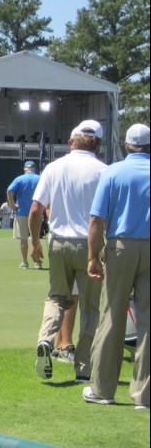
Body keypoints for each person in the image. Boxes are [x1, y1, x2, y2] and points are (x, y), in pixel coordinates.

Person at [30, 119, 107, 384]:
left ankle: (45, 340)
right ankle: (83, 369)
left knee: (57, 298)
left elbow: (35, 210)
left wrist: (34, 242)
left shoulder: (53, 167)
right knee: (89, 308)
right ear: (97, 142)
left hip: (58, 242)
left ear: (73, 139)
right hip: (90, 244)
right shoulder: (103, 171)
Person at [83, 123, 149, 409]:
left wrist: (92, 256)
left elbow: (97, 220)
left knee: (112, 316)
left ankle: (102, 389)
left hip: (120, 246)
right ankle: (144, 396)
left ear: (126, 145)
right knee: (148, 321)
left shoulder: (113, 171)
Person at [7, 160, 42, 269]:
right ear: (34, 169)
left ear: (25, 169)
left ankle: (25, 262)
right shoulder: (40, 178)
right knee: (35, 238)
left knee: (23, 239)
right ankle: (38, 263)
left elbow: (9, 190)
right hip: (36, 212)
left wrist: (12, 205)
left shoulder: (19, 179)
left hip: (22, 212)